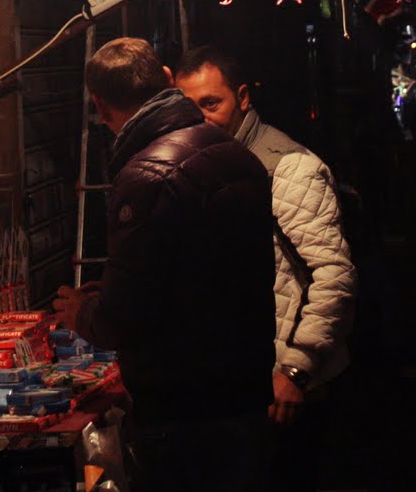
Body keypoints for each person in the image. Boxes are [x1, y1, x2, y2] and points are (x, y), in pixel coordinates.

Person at [53, 37, 277, 492]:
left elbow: (124, 317)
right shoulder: (234, 152)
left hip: (185, 413)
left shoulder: (147, 175)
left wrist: (81, 312)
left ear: (99, 105)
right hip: (246, 393)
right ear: (169, 80)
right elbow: (197, 276)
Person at [174, 46, 357, 492]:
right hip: (242, 388)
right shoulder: (210, 161)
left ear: (242, 98)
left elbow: (333, 275)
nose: (201, 118)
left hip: (289, 391)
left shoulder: (288, 168)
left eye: (211, 103)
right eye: (190, 107)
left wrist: (296, 369)